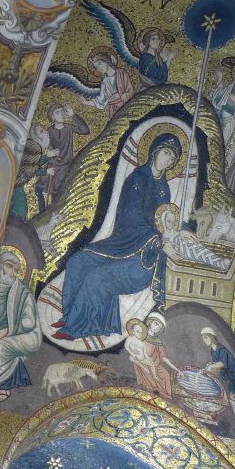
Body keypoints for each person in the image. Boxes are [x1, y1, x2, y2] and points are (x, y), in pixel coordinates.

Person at [54, 133, 180, 340]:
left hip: (145, 255)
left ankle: (77, 327)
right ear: (155, 150)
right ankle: (70, 316)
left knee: (97, 278)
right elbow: (129, 216)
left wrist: (163, 238)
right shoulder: (136, 179)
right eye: (166, 153)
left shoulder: (163, 190)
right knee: (78, 261)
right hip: (122, 243)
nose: (167, 161)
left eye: (172, 159)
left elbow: (163, 223)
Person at [0, 250, 41, 401]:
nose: (12, 272)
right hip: (1, 331)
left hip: (26, 335)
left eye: (16, 269)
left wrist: (8, 330)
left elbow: (29, 322)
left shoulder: (23, 293)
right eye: (9, 266)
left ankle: (4, 387)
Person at [200, 327, 235, 435]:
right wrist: (209, 368)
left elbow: (222, 363)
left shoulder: (222, 350)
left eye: (205, 337)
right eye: (203, 338)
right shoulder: (213, 351)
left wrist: (210, 367)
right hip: (232, 380)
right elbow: (218, 367)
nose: (204, 340)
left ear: (212, 337)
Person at [37, 103, 89, 210]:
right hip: (54, 166)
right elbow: (43, 148)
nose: (61, 114)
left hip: (67, 166)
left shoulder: (68, 128)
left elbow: (85, 130)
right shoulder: (49, 131)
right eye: (57, 112)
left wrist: (73, 115)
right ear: (52, 116)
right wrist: (48, 154)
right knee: (47, 192)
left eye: (62, 111)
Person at [156, 204, 229, 270]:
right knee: (198, 253)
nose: (172, 224)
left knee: (201, 248)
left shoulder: (175, 232)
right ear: (163, 221)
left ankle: (217, 260)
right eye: (169, 221)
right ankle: (218, 263)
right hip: (183, 249)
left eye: (173, 221)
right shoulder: (164, 236)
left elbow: (179, 235)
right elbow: (167, 243)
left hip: (188, 243)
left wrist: (181, 232)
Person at [124, 315, 177, 397]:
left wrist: (177, 369)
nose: (157, 328)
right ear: (150, 322)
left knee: (166, 375)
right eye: (156, 324)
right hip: (141, 362)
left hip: (153, 363)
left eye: (159, 327)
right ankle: (153, 391)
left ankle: (166, 397)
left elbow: (163, 357)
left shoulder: (157, 340)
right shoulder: (140, 336)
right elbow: (130, 347)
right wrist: (134, 353)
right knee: (147, 371)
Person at [82, 49, 134, 116]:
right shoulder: (104, 82)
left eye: (99, 64)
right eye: (96, 67)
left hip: (127, 105)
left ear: (106, 61)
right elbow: (101, 100)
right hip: (115, 110)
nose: (98, 68)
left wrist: (122, 96)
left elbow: (130, 90)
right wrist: (86, 102)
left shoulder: (122, 73)